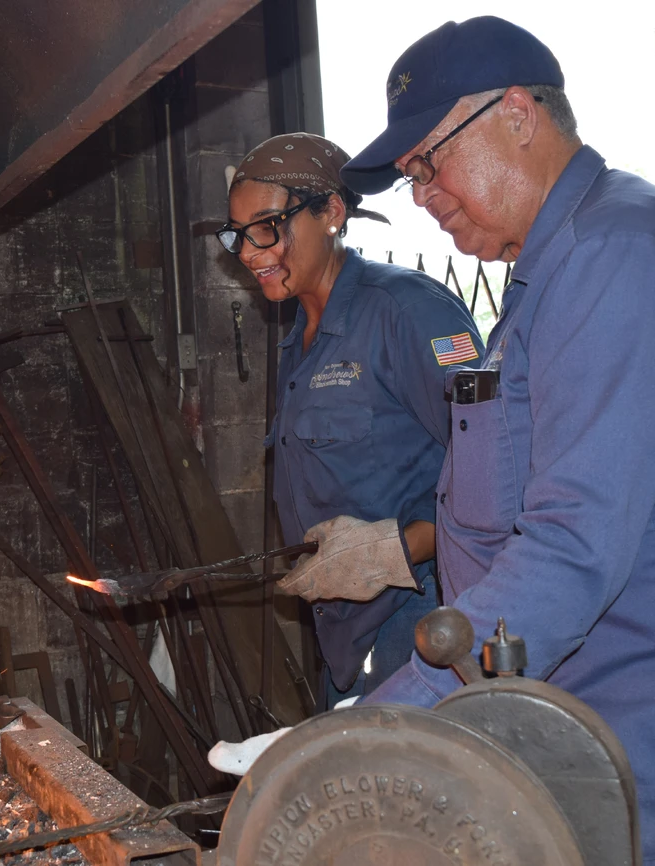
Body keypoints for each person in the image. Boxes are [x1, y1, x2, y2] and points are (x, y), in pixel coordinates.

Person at [315, 16, 655, 866]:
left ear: (516, 112)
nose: (423, 196)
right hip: (590, 745)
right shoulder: (553, 270)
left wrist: (395, 724)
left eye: (429, 162)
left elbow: (574, 547)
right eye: (407, 178)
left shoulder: (620, 258)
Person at [215, 133, 484, 707]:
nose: (248, 250)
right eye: (238, 234)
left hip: (424, 623)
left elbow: (503, 486)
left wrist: (395, 549)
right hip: (345, 636)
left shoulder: (407, 315)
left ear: (331, 213)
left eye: (267, 226)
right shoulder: (298, 343)